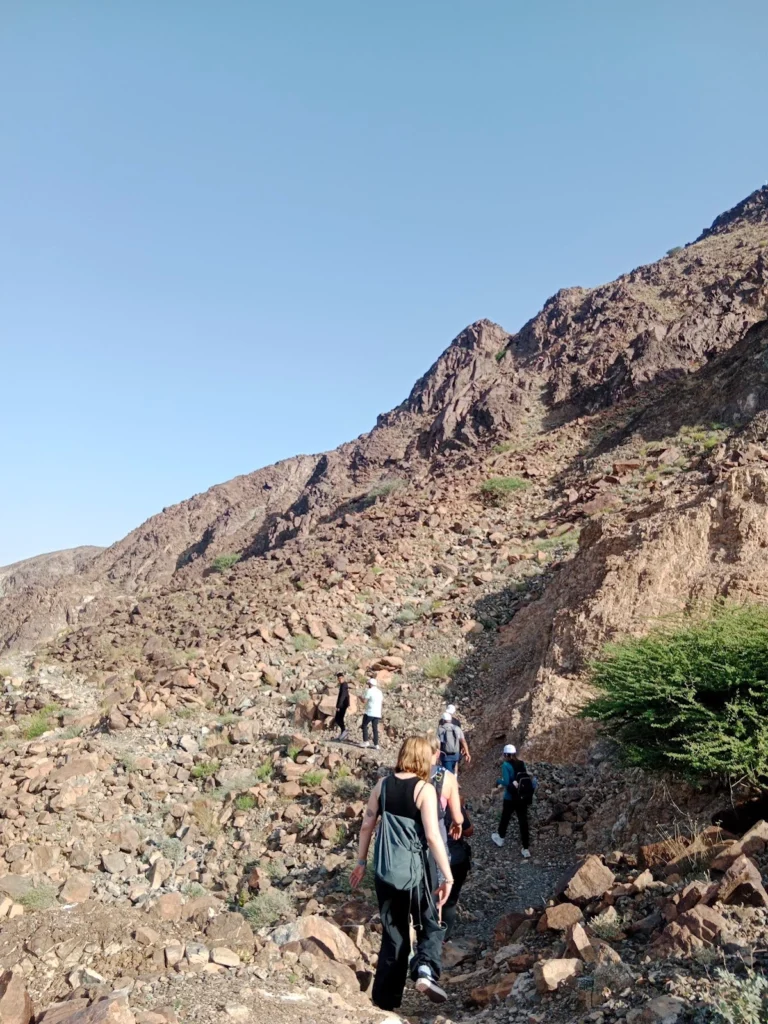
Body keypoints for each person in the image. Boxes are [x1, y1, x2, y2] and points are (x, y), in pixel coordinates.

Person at [350, 735, 453, 1009]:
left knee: (394, 933)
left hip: (385, 872)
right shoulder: (424, 790)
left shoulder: (381, 786)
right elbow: (432, 836)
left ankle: (384, 1001)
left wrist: (361, 863)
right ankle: (425, 971)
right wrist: (447, 876)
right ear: (423, 757)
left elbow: (366, 827)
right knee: (430, 924)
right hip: (417, 873)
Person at [491, 744, 532, 858]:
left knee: (505, 817)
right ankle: (525, 848)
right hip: (522, 796)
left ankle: (500, 838)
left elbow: (507, 782)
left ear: (505, 754)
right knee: (523, 821)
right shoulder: (521, 763)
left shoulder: (505, 765)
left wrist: (498, 781)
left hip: (510, 797)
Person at [442, 802, 473, 942]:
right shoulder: (453, 805)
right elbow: (469, 831)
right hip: (456, 859)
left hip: (432, 859)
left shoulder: (420, 800)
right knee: (450, 901)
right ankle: (444, 937)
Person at [362, 677, 383, 749]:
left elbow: (364, 701)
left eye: (369, 684)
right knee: (375, 728)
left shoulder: (369, 691)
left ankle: (366, 741)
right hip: (377, 713)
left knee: (364, 725)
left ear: (370, 684)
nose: (368, 685)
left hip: (370, 712)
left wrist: (360, 697)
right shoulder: (379, 692)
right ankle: (376, 744)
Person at [333, 671, 350, 740]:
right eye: (338, 679)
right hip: (342, 704)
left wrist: (338, 706)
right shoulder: (343, 685)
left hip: (342, 705)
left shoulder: (344, 685)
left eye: (341, 678)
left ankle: (344, 731)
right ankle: (343, 732)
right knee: (339, 719)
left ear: (343, 678)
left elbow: (343, 696)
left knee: (338, 719)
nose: (339, 680)